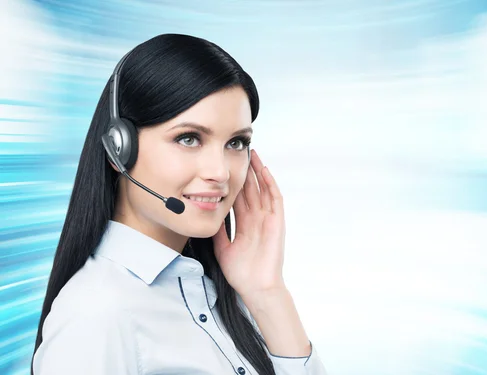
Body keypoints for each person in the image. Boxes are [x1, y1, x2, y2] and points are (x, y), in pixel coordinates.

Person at [30, 33, 328, 375]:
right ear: (118, 148)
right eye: (189, 139)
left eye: (236, 142)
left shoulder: (225, 294)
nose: (220, 172)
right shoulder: (95, 314)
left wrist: (267, 294)